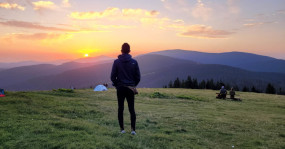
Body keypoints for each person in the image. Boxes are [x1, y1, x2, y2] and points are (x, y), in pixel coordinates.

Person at [111, 43, 141, 135]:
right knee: (131, 109)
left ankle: (122, 129)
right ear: (129, 51)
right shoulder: (134, 62)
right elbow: (138, 77)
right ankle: (133, 130)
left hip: (120, 88)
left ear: (121, 50)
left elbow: (112, 76)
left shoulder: (116, 62)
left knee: (121, 108)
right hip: (130, 88)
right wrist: (133, 85)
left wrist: (117, 85)